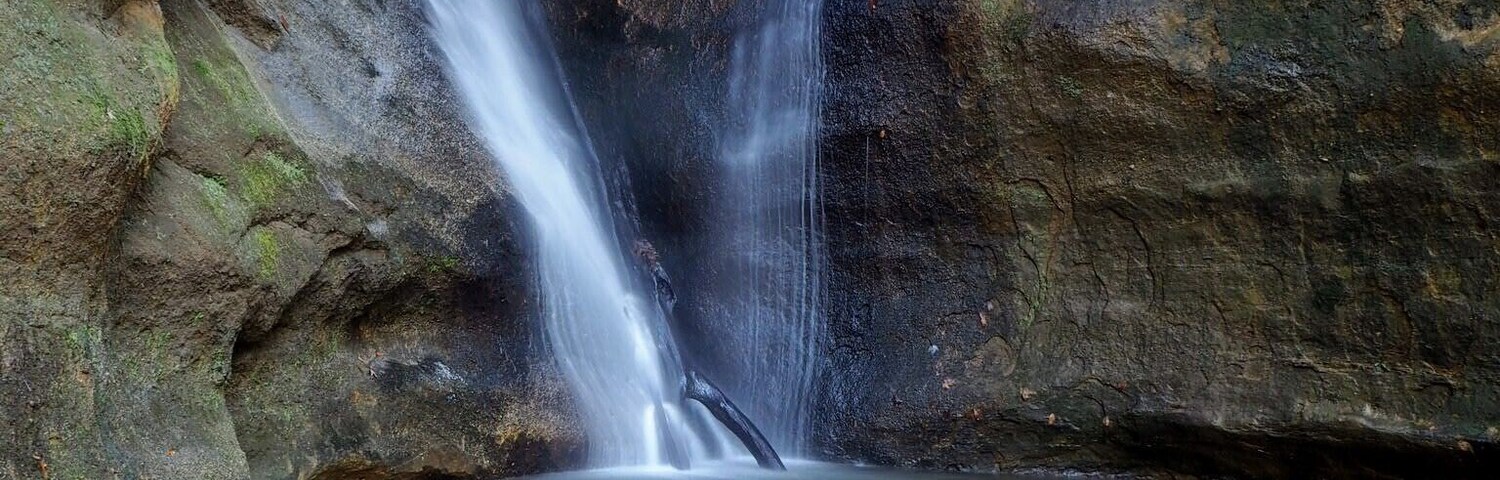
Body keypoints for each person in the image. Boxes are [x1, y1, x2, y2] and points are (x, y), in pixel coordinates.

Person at [632, 240, 786, 470]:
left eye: (647, 253)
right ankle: (681, 468)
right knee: (710, 410)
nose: (645, 256)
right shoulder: (641, 281)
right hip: (669, 366)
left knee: (724, 408)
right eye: (641, 253)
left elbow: (668, 304)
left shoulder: (656, 277)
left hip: (683, 367)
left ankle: (773, 467)